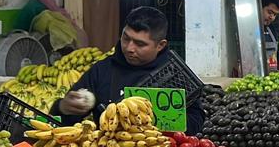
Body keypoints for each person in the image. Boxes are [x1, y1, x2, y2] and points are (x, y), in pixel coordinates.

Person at [53, 7, 205, 135]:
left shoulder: (175, 75)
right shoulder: (103, 70)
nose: (129, 48)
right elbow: (62, 121)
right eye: (126, 38)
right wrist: (63, 107)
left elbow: (196, 119)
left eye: (140, 44)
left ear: (160, 45)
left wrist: (165, 127)